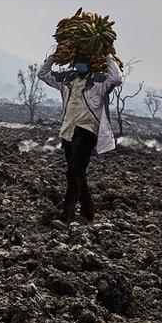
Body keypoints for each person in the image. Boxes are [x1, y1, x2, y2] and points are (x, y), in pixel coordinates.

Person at [38, 49, 123, 229]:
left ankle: (66, 216)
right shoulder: (67, 79)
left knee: (73, 172)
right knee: (77, 173)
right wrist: (54, 56)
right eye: (77, 61)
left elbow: (117, 78)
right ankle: (88, 213)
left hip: (87, 131)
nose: (79, 64)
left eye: (83, 61)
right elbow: (42, 74)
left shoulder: (99, 81)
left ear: (91, 63)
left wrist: (108, 55)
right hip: (68, 130)